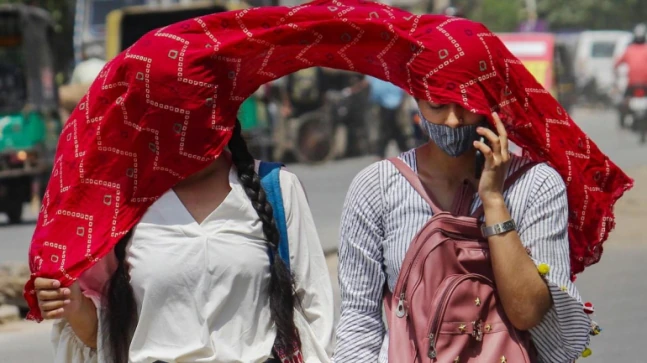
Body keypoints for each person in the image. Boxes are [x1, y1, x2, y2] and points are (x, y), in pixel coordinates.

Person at [33, 120, 335, 363]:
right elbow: (105, 339)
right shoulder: (119, 203)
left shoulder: (276, 188)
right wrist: (71, 303)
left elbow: (315, 315)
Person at [334, 101, 592, 362]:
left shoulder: (536, 185)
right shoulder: (376, 186)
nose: (453, 120)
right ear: (417, 98)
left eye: (466, 104)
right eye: (437, 105)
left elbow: (526, 312)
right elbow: (359, 316)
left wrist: (493, 200)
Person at [367, 76, 410, 159]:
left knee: (387, 129)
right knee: (394, 128)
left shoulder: (377, 76)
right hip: (397, 104)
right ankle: (404, 150)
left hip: (385, 105)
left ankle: (381, 153)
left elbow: (376, 91)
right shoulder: (392, 72)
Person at [615, 23, 647, 125]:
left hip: (632, 83)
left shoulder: (629, 49)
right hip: (645, 83)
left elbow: (617, 63)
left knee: (624, 100)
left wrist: (615, 73)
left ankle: (623, 120)